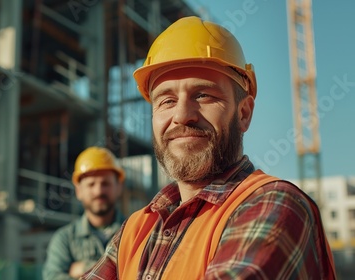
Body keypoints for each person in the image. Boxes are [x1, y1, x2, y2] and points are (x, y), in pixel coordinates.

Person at [81, 16, 336, 279]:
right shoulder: (135, 229)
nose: (182, 115)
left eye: (203, 95)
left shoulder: (274, 204)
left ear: (244, 114)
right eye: (166, 101)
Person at [43, 147, 126, 279]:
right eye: (91, 184)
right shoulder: (64, 240)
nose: (98, 191)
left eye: (105, 183)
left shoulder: (135, 232)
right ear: (78, 191)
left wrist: (85, 267)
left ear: (118, 187)